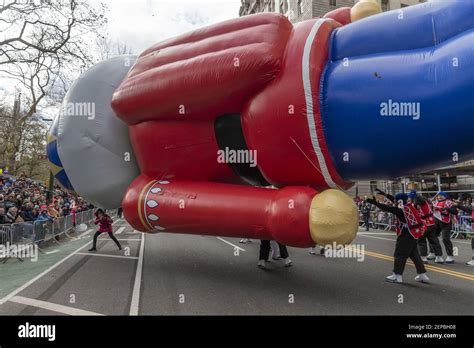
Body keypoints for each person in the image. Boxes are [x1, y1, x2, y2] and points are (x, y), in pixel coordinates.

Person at [366, 193, 429, 284]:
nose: (394, 201)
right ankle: (423, 275)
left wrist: (376, 203)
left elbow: (389, 208)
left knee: (399, 255)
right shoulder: (410, 207)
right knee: (415, 255)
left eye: (396, 200)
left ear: (400, 201)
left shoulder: (402, 210)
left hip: (405, 235)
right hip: (414, 235)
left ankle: (397, 276)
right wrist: (386, 195)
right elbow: (396, 203)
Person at [407, 190, 443, 264]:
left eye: (410, 197)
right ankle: (439, 257)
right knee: (434, 240)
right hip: (431, 223)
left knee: (421, 241)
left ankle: (423, 257)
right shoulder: (426, 202)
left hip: (423, 225)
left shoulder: (417, 204)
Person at [432, 191, 457, 263]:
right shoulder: (434, 202)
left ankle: (450, 255)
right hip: (436, 221)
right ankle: (434, 253)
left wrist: (446, 209)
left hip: (446, 222)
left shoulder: (449, 202)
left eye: (441, 195)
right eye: (438, 195)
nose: (439, 197)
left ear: (445, 196)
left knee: (445, 238)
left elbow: (455, 211)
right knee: (433, 238)